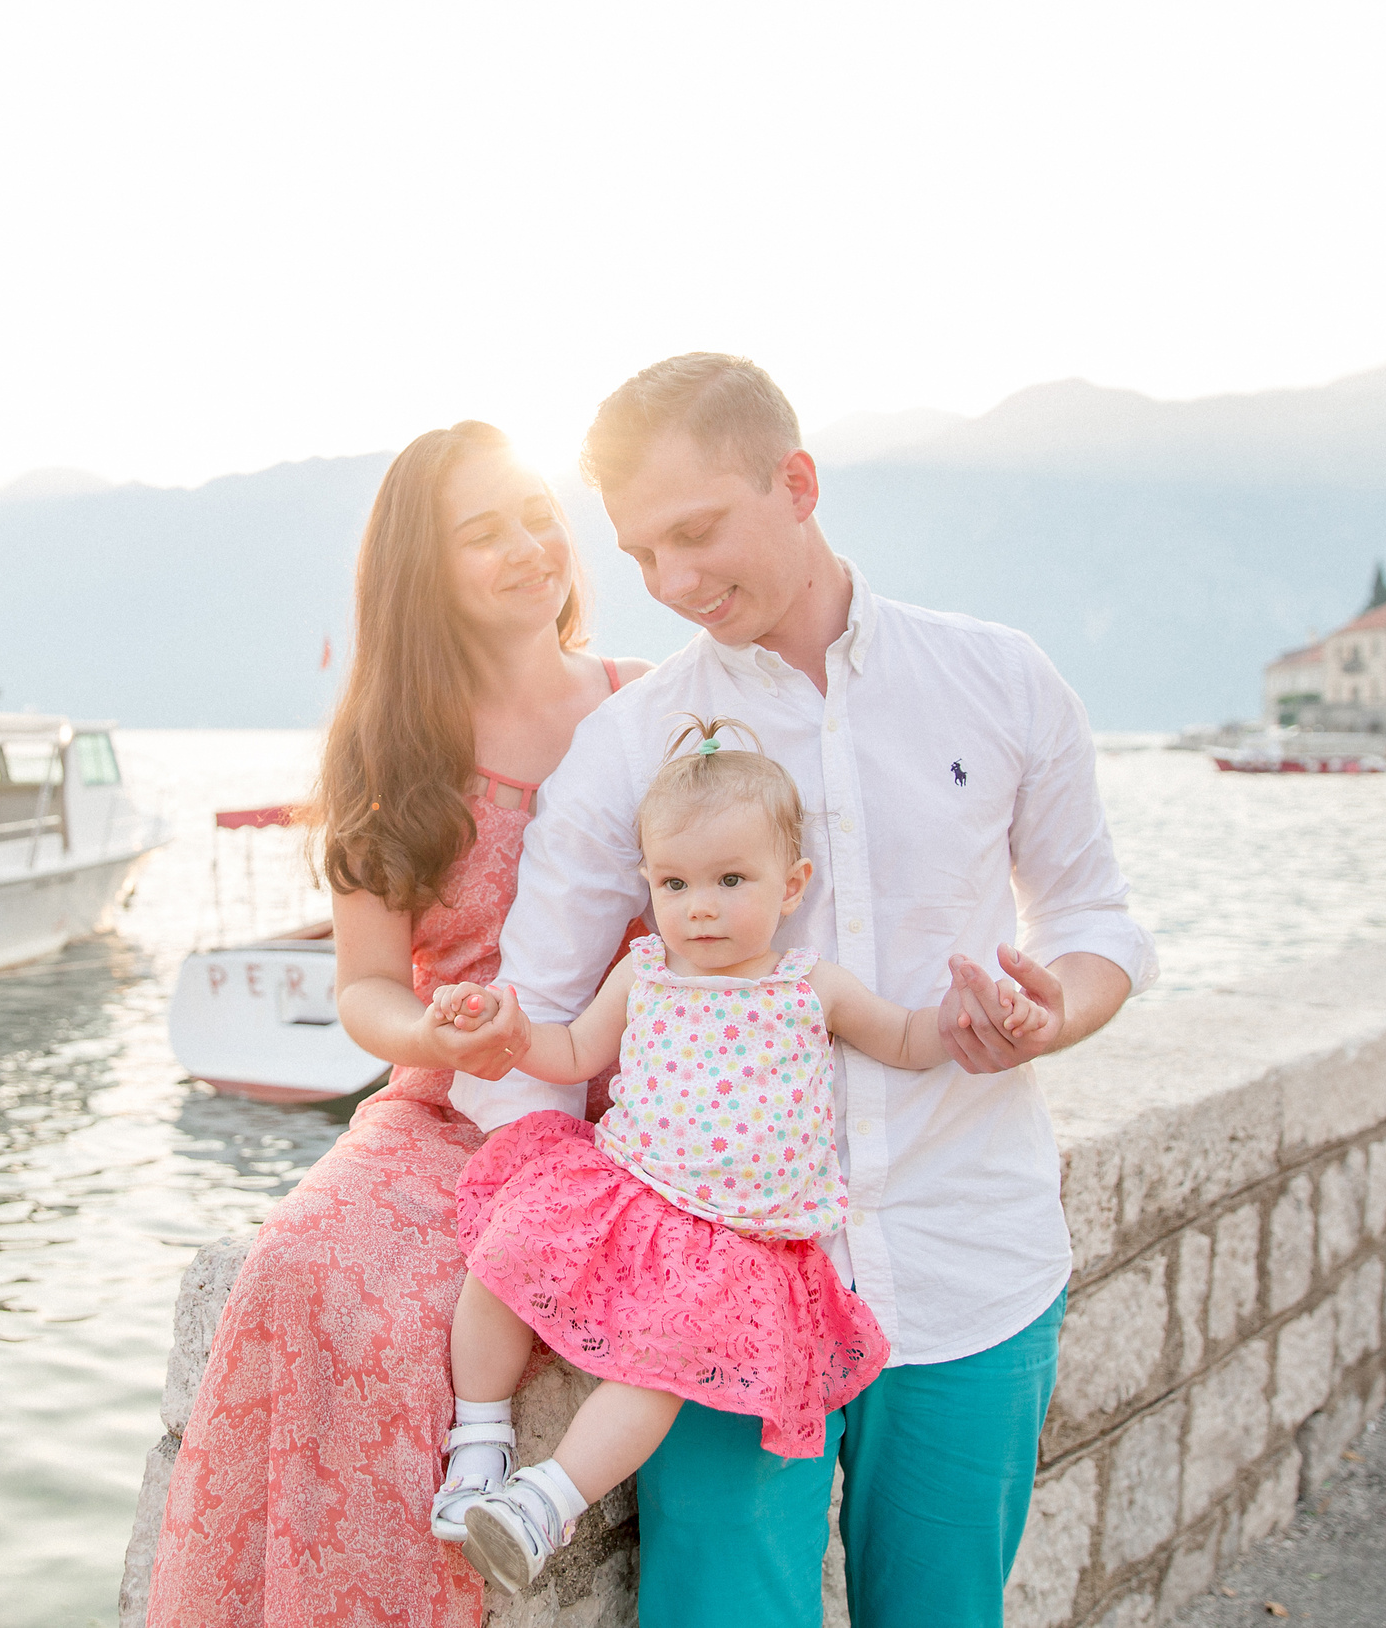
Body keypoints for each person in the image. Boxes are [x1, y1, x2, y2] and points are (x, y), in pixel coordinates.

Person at [470, 353, 1159, 1627]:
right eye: (639, 557)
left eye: (696, 532)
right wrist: (572, 1266)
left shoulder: (1001, 677)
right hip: (714, 1309)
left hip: (973, 1259)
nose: (673, 585)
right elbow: (530, 1031)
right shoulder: (627, 744)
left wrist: (1052, 1008)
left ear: (796, 483)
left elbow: (1092, 921)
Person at [145, 419, 652, 1628]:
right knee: (299, 1276)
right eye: (483, 534)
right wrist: (441, 1036)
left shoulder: (650, 710)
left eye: (536, 515)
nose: (529, 548)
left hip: (643, 1109)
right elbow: (368, 986)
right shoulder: (392, 750)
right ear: (423, 572)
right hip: (456, 1108)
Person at [420, 719, 1052, 1596]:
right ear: (649, 886)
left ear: (791, 885)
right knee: (504, 1256)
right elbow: (571, 1055)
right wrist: (513, 1030)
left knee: (664, 1364)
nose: (701, 906)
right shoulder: (645, 971)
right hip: (629, 1193)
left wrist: (968, 1018)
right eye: (675, 882)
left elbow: (905, 1036)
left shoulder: (809, 985)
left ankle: (545, 1501)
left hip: (735, 1244)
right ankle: (478, 1442)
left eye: (730, 879)